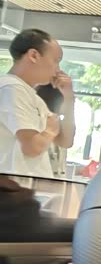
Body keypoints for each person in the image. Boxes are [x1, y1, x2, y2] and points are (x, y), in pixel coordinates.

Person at [0, 29, 75, 178]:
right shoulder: (11, 88)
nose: (58, 69)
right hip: (13, 187)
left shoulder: (31, 96)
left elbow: (65, 141)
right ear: (33, 55)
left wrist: (69, 98)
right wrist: (50, 131)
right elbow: (32, 147)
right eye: (56, 61)